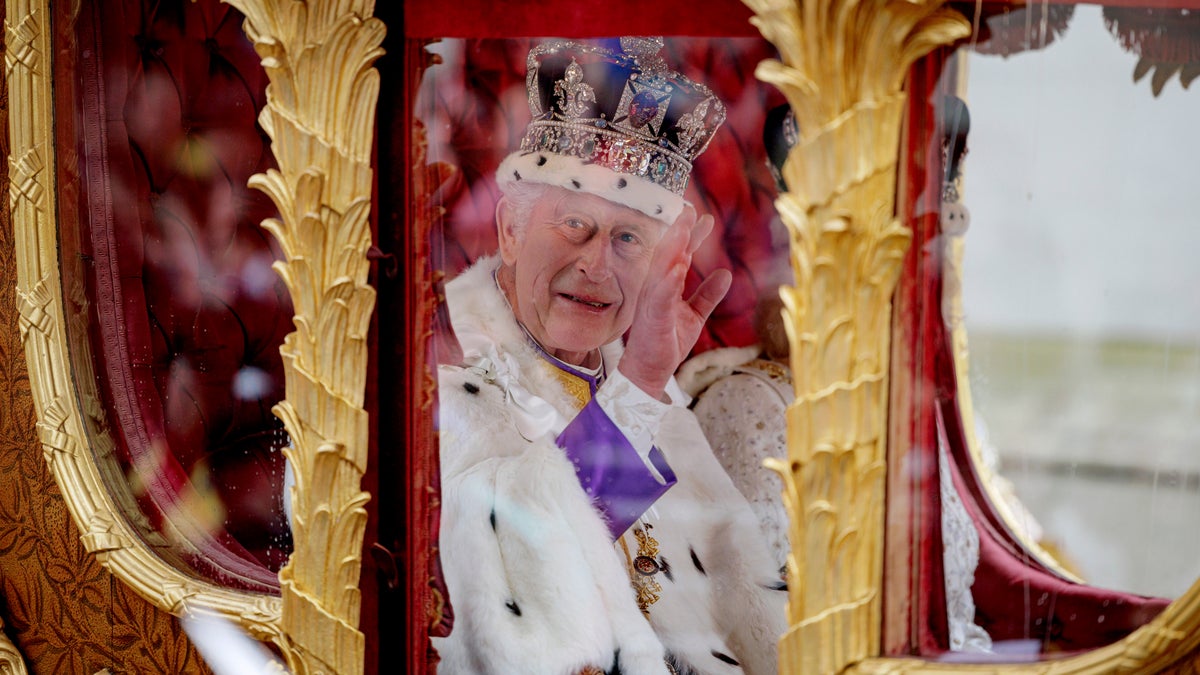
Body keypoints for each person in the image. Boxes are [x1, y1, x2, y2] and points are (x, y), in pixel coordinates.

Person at [432, 38, 787, 675]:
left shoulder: (643, 385)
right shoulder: (449, 369)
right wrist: (641, 385)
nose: (597, 265)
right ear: (511, 231)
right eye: (574, 226)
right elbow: (509, 593)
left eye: (629, 238)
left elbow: (749, 610)